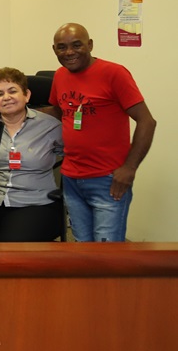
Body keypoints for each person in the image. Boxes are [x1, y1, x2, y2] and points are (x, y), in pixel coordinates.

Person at [48, 22, 155, 242]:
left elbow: (147, 121)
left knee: (107, 253)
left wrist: (130, 168)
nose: (69, 52)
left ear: (90, 45)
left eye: (76, 45)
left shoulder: (114, 73)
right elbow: (59, 111)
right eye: (62, 47)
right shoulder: (59, 75)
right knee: (82, 246)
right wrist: (17, 111)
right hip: (71, 178)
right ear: (54, 50)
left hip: (108, 180)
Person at [0, 67, 63, 241]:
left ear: (26, 95)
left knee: (10, 246)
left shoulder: (50, 126)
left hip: (36, 203)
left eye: (12, 91)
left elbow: (74, 155)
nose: (6, 97)